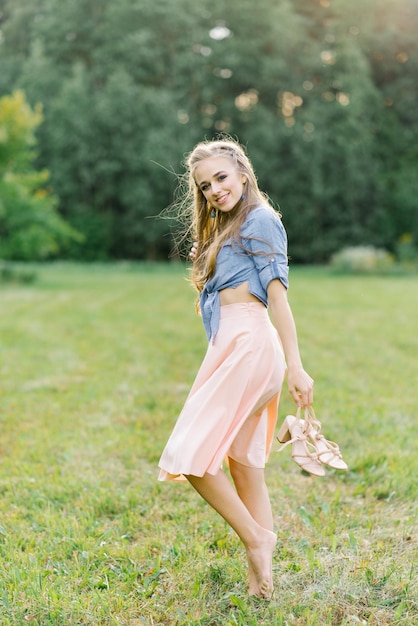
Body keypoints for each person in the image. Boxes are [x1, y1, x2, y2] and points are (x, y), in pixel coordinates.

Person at [158, 137, 315, 599]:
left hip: (249, 343)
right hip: (231, 345)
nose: (215, 190)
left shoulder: (261, 220)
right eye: (206, 186)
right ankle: (261, 585)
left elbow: (279, 298)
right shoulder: (226, 227)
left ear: (244, 174)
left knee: (189, 453)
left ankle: (257, 538)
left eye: (222, 178)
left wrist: (297, 367)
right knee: (244, 466)